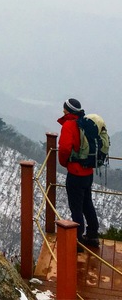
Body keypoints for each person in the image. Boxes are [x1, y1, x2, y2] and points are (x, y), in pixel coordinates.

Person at [57, 98, 100, 249]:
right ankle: (93, 234)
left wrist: (65, 163)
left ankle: (78, 241)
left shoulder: (69, 125)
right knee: (87, 203)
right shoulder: (86, 123)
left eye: (64, 110)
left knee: (76, 208)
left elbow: (64, 149)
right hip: (88, 172)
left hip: (75, 173)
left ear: (67, 111)